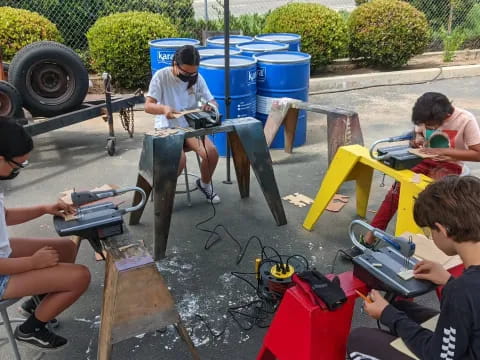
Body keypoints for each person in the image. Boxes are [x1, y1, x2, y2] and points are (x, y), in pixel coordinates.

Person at [348, 175, 480, 359]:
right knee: (401, 307)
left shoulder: (462, 291)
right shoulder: (465, 287)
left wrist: (387, 315)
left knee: (359, 339)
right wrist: (448, 281)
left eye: (429, 230)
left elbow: (440, 356)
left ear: (442, 230)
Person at [346, 92, 480, 257]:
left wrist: (446, 152)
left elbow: (478, 153)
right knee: (395, 194)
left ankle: (432, 249)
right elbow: (417, 137)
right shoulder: (426, 117)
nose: (427, 127)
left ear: (445, 116)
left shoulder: (465, 119)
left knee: (435, 204)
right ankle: (369, 240)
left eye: (430, 125)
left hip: (449, 165)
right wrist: (415, 141)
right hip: (423, 159)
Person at [0, 119, 91, 351]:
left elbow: (5, 216)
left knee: (67, 249)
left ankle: (37, 302)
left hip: (4, 253)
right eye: (17, 165)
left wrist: (43, 209)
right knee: (80, 277)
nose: (17, 170)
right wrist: (32, 263)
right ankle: (31, 329)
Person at [145, 45, 221, 204]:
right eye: (186, 73)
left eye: (193, 73)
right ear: (175, 63)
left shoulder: (197, 77)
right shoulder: (161, 76)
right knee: (178, 161)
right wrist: (163, 108)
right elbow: (148, 106)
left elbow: (211, 100)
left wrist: (210, 106)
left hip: (189, 125)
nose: (189, 76)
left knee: (211, 153)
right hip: (166, 127)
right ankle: (164, 191)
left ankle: (204, 184)